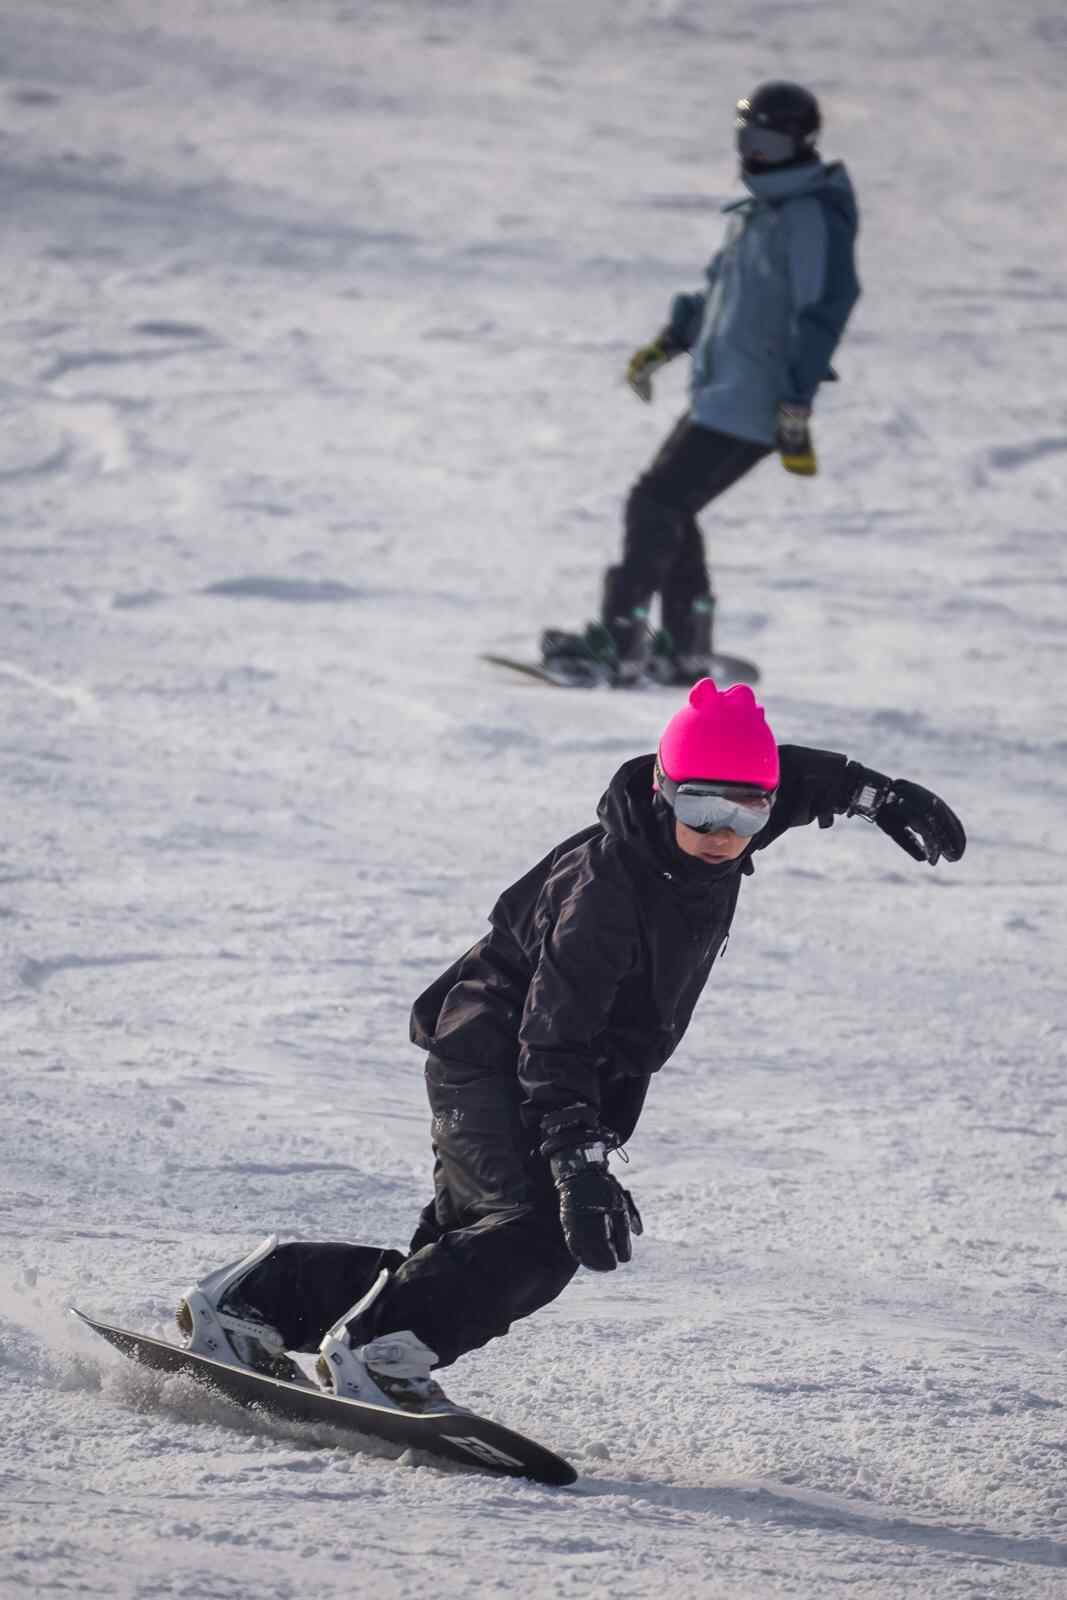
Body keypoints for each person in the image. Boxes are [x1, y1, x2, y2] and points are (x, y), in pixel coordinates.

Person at [176, 680, 965, 1412]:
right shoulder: (607, 895)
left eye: (746, 815)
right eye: (700, 810)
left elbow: (784, 781)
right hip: (496, 1057)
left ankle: (257, 1305)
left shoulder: (717, 819)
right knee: (537, 1235)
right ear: (662, 789)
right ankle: (377, 1354)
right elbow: (553, 1036)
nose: (723, 835)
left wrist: (872, 793)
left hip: (540, 1066)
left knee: (468, 1252)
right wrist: (577, 1162)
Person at [541, 80, 861, 688]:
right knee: (671, 506)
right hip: (725, 390)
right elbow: (718, 293)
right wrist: (669, 342)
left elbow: (824, 310)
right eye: (748, 139)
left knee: (654, 501)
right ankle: (684, 645)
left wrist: (796, 400)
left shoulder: (809, 217)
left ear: (803, 142)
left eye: (769, 141)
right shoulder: (760, 214)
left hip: (759, 399)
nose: (755, 155)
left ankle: (621, 640)